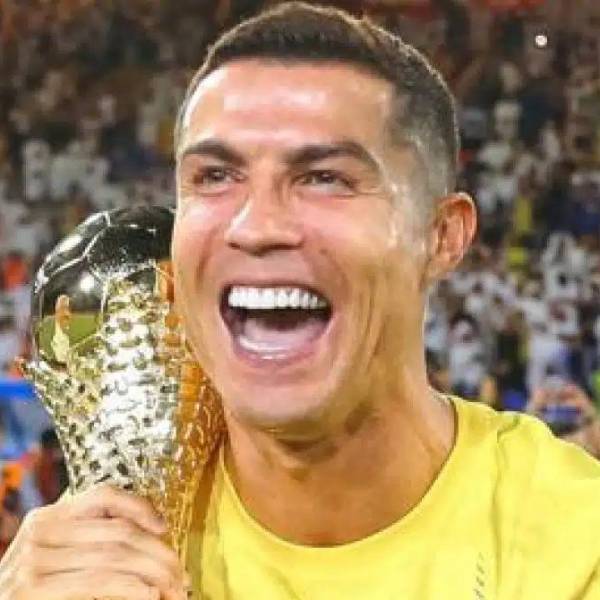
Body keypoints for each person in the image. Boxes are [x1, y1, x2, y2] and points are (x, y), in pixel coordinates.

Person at [2, 3, 600, 599]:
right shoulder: (98, 547)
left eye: (324, 177)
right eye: (214, 176)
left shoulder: (573, 542)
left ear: (442, 236)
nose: (256, 226)